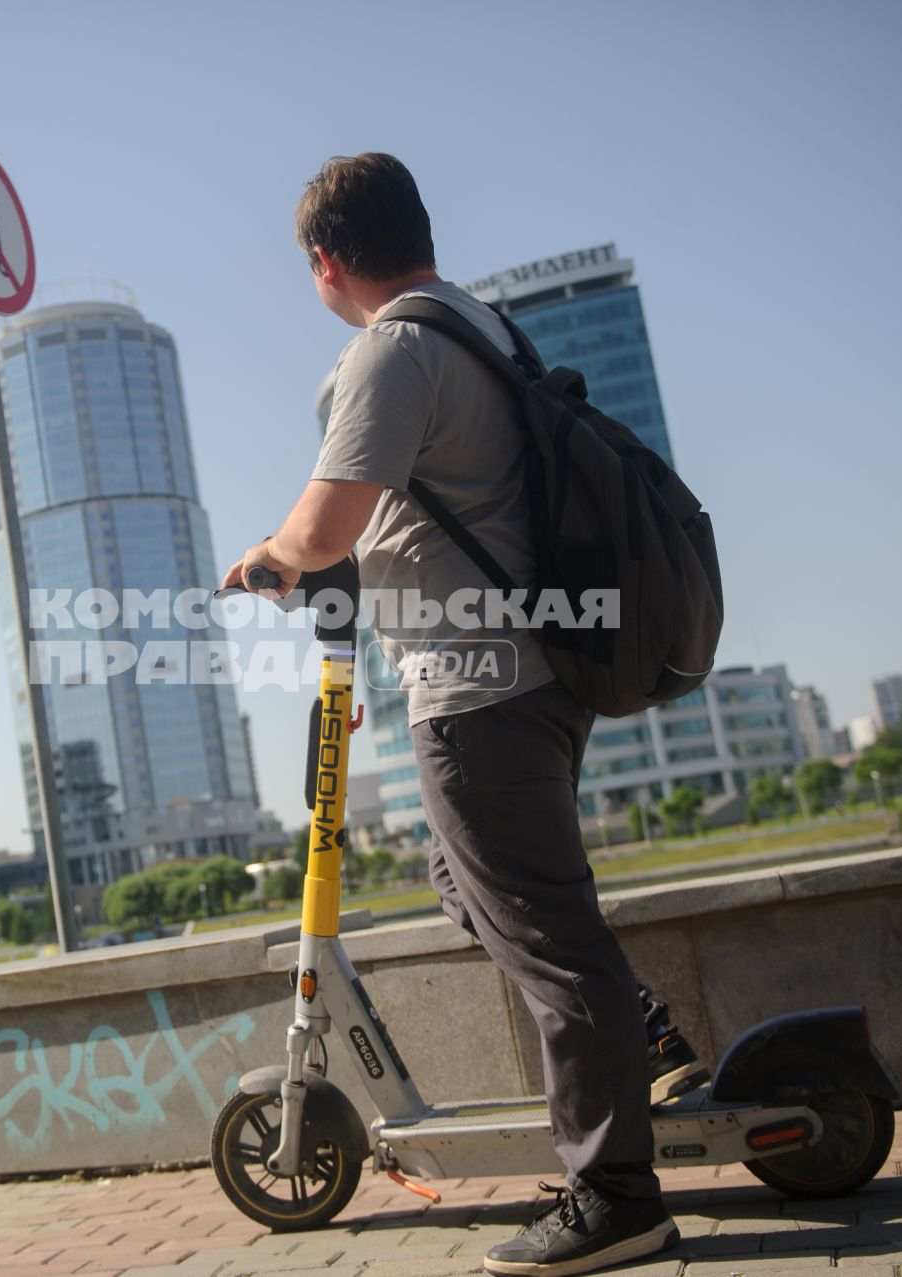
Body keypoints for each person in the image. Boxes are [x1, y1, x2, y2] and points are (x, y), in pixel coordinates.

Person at [224, 153, 693, 1277]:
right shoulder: (482, 328)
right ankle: (651, 1045)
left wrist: (271, 558)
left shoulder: (393, 347)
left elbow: (327, 522)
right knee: (467, 882)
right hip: (534, 678)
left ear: (325, 262)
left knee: (551, 936)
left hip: (478, 697)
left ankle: (616, 1194)